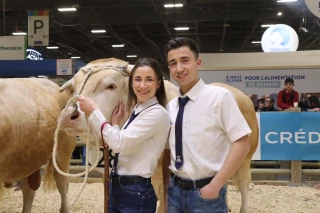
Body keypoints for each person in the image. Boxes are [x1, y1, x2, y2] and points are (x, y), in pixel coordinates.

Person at [162, 37, 251, 213]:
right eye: (173, 63)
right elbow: (168, 151)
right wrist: (165, 189)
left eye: (185, 61)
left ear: (198, 63)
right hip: (174, 192)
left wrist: (214, 186)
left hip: (206, 194)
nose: (179, 68)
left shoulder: (220, 98)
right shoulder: (170, 107)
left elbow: (242, 142)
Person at [78, 58, 170, 213]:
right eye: (138, 79)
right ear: (131, 83)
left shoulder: (157, 113)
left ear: (158, 84)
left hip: (136, 190)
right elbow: (125, 144)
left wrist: (94, 111)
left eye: (149, 80)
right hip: (119, 187)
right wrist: (115, 123)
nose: (142, 85)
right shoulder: (138, 110)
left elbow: (119, 143)